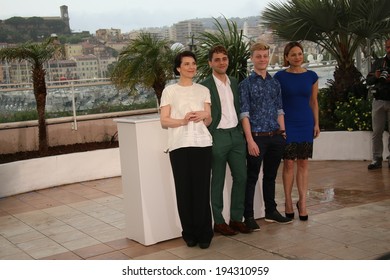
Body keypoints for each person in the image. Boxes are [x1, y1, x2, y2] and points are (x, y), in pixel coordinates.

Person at [160, 50, 213, 249]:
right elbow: (164, 120)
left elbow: (209, 119)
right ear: (178, 68)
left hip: (202, 144)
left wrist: (202, 116)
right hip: (179, 146)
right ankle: (189, 233)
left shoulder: (203, 90)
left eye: (193, 63)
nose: (191, 67)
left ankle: (205, 234)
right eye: (187, 64)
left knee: (201, 191)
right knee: (184, 191)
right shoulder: (169, 91)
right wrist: (183, 120)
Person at [239, 42, 292, 231]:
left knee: (270, 176)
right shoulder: (245, 85)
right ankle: (249, 216)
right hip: (257, 138)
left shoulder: (274, 82)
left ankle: (271, 211)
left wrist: (283, 133)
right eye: (258, 56)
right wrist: (250, 140)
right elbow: (244, 114)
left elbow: (280, 110)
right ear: (252, 58)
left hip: (275, 136)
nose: (262, 59)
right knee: (251, 177)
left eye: (265, 56)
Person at [200, 45, 251, 235]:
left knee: (241, 177)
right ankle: (219, 222)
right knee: (218, 181)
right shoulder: (205, 86)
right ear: (210, 63)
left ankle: (237, 218)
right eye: (217, 59)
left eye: (224, 59)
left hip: (236, 136)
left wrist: (241, 133)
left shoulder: (235, 82)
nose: (222, 62)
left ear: (227, 60)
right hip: (218, 136)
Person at [274, 41, 320, 221]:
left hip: (306, 123)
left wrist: (316, 124)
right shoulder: (279, 77)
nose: (297, 57)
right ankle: (287, 202)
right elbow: (277, 104)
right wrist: (280, 125)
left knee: (303, 163)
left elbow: (314, 102)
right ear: (286, 57)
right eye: (293, 54)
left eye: (299, 53)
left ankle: (303, 202)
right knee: (289, 163)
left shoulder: (312, 76)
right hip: (287, 123)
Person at [366, 38, 390, 170]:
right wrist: (376, 76)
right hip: (379, 100)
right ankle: (376, 159)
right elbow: (368, 80)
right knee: (377, 132)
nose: (389, 50)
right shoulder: (379, 62)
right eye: (387, 47)